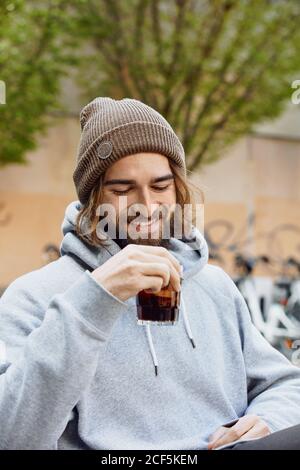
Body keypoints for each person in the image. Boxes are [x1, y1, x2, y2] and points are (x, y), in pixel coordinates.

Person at [0, 97, 300, 451]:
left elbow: (285, 385)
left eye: (160, 186)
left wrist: (268, 420)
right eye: (122, 190)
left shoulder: (214, 285)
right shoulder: (36, 294)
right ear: (93, 199)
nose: (147, 204)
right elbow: (13, 436)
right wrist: (96, 299)